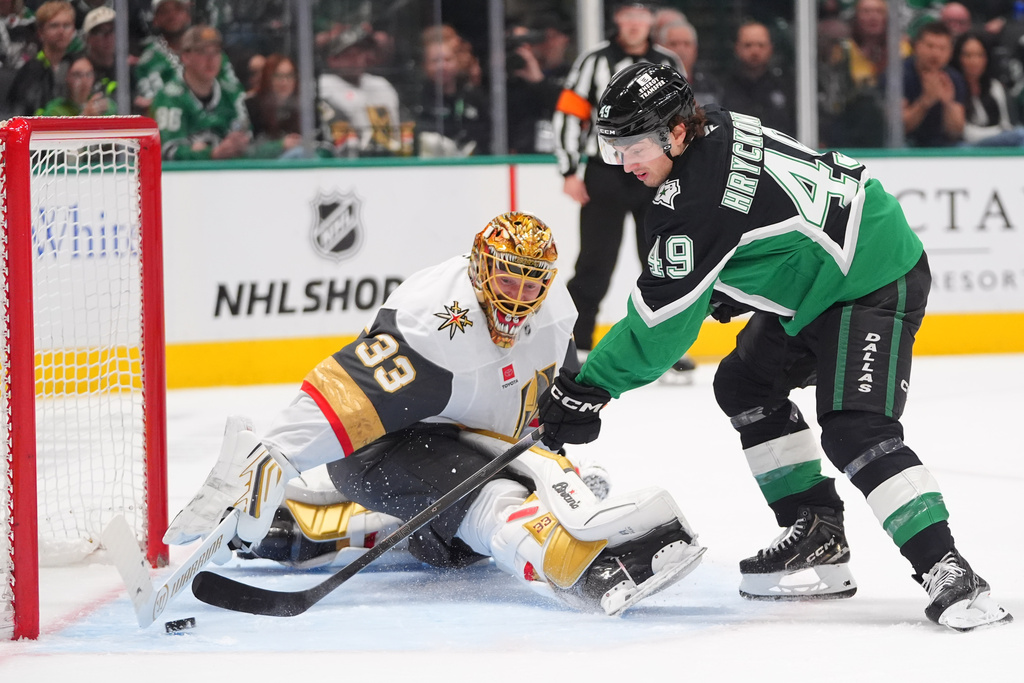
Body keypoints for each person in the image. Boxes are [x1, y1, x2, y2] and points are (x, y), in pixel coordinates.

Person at [535, 62, 1013, 633]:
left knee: (856, 429)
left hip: (872, 277)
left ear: (676, 133)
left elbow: (659, 329)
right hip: (823, 278)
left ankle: (949, 569)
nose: (626, 164)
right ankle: (816, 533)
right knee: (744, 383)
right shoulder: (714, 126)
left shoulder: (690, 201)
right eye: (614, 149)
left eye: (634, 146)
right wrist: (736, 278)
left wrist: (589, 388)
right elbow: (766, 216)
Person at [163, 211, 706, 617]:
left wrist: (561, 416)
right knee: (492, 501)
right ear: (479, 270)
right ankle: (579, 565)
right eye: (507, 280)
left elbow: (542, 395)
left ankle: (320, 523)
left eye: (531, 283)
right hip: (381, 447)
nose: (519, 298)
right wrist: (267, 460)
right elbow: (339, 398)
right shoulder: (430, 323)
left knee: (467, 543)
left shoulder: (555, 307)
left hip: (469, 444)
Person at [551, 2, 694, 383]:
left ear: (651, 20)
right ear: (618, 20)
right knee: (594, 263)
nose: (633, 23)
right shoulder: (594, 60)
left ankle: (668, 346)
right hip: (606, 173)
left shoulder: (668, 61)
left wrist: (687, 169)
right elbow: (568, 113)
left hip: (658, 171)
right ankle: (575, 346)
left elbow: (685, 117)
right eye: (627, 15)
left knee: (663, 258)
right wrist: (568, 169)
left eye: (640, 15)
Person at [149, 24, 251, 161]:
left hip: (228, 176)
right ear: (185, 57)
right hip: (182, 179)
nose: (211, 59)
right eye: (202, 52)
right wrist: (211, 154)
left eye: (216, 52)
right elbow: (166, 149)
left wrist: (238, 142)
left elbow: (248, 139)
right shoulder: (169, 97)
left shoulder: (232, 94)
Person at [819, 0, 912, 147]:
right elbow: (834, 100)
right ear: (855, 17)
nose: (872, 17)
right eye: (866, 12)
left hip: (896, 128)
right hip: (852, 126)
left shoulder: (903, 48)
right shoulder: (842, 50)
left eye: (878, 12)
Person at [134, 0, 238, 115]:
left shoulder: (212, 53)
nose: (172, 16)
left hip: (219, 122)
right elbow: (152, 103)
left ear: (188, 15)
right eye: (164, 12)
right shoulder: (149, 60)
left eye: (178, 9)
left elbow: (234, 91)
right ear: (155, 20)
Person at [317, 25, 402, 157]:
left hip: (388, 160)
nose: (358, 59)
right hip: (345, 162)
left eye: (361, 52)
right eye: (350, 55)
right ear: (332, 60)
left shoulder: (382, 85)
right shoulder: (323, 86)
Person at [413, 33, 490, 157]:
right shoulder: (417, 99)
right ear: (425, 66)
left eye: (448, 59)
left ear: (457, 62)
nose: (442, 66)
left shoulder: (474, 97)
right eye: (435, 61)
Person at [719, 19, 796, 136]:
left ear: (770, 48)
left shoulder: (786, 86)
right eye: (748, 45)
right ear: (737, 48)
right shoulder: (722, 86)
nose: (755, 51)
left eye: (761, 45)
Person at [952, 29, 1024, 145]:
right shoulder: (953, 85)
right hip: (965, 145)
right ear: (958, 58)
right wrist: (999, 132)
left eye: (979, 55)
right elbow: (964, 132)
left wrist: (1002, 133)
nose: (974, 61)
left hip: (996, 143)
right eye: (968, 55)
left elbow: (1007, 125)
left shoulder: (995, 86)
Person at [4, 0, 76, 116]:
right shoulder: (31, 70)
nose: (61, 31)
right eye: (54, 25)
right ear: (40, 32)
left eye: (66, 25)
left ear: (73, 30)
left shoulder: (77, 64)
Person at [903, 20, 968, 147]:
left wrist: (948, 103)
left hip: (943, 145)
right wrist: (925, 102)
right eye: (930, 46)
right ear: (916, 46)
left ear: (950, 52)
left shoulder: (954, 79)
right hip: (907, 144)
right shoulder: (900, 75)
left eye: (942, 48)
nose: (935, 54)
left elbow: (956, 131)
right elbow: (899, 128)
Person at [246, 52, 304, 158]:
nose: (284, 82)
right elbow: (245, 151)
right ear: (267, 79)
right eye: (278, 76)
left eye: (289, 75)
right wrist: (279, 146)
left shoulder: (305, 107)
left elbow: (324, 145)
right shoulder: (251, 106)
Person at [655, 19, 721, 106]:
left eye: (687, 44)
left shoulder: (710, 84)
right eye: (673, 44)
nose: (681, 50)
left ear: (695, 49)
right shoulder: (653, 83)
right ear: (661, 48)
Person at [38, 53, 115, 115]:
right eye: (77, 75)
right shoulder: (56, 110)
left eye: (89, 74)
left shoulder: (104, 106)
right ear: (65, 78)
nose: (84, 81)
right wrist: (84, 116)